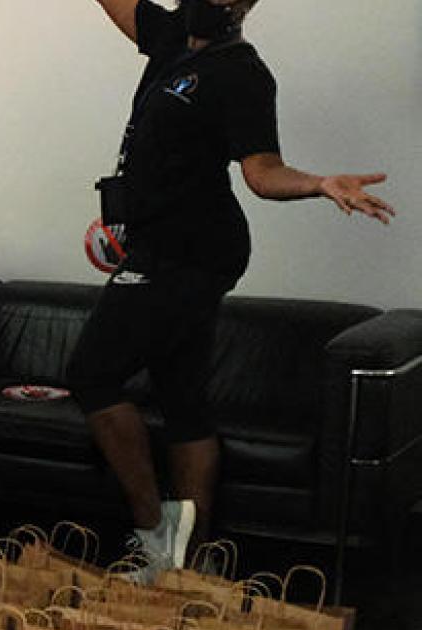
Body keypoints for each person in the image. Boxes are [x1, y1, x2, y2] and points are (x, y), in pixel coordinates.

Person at [68, 0, 396, 577]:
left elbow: (262, 172)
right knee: (182, 397)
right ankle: (189, 564)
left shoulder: (242, 71)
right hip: (155, 244)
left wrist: (320, 183)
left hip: (193, 251)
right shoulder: (170, 36)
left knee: (92, 375)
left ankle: (152, 535)